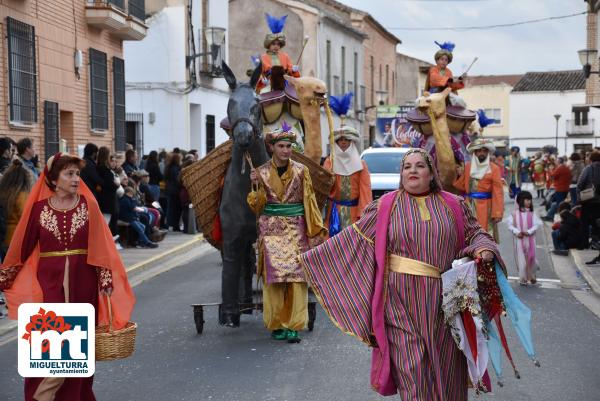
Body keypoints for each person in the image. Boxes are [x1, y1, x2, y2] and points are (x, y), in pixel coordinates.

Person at [300, 148, 519, 399]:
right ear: (401, 174)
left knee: (449, 373)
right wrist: (309, 255)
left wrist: (484, 248)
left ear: (431, 173)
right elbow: (352, 239)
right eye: (407, 167)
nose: (412, 170)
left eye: (419, 166)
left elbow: (475, 233)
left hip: (447, 304)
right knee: (411, 372)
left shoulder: (454, 205)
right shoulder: (384, 207)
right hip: (400, 302)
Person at [0, 152, 135, 401]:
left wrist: (105, 278)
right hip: (48, 284)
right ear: (53, 179)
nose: (75, 179)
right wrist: (5, 279)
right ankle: (41, 396)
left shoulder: (88, 205)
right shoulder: (39, 209)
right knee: (47, 345)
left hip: (83, 284)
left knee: (78, 352)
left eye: (77, 174)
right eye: (69, 174)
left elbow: (101, 247)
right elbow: (22, 248)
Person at [248, 125, 327, 343]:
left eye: (289, 146)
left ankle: (293, 325)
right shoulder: (261, 172)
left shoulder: (302, 171)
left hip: (296, 229)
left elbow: (309, 201)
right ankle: (276, 324)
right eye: (281, 146)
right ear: (272, 148)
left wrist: (314, 230)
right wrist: (254, 186)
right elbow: (256, 207)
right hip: (271, 230)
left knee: (296, 279)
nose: (286, 150)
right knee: (274, 280)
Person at [322, 125, 371, 236]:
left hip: (354, 214)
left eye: (346, 139)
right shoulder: (329, 163)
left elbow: (365, 191)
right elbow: (324, 188)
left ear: (351, 142)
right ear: (336, 142)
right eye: (340, 140)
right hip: (333, 213)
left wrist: (363, 214)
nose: (343, 142)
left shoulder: (361, 165)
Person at [453, 138, 504, 242]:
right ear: (475, 152)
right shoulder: (468, 167)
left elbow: (498, 192)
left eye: (484, 150)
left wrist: (497, 213)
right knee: (468, 234)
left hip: (486, 208)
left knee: (485, 235)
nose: (482, 153)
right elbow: (461, 186)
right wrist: (458, 175)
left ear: (488, 152)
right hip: (469, 206)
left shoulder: (494, 168)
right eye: (479, 150)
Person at [257, 13, 300, 93]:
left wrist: (294, 70)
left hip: (284, 85)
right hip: (269, 84)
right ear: (269, 44)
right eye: (273, 44)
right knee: (262, 97)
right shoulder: (263, 58)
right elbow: (259, 73)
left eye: (278, 44)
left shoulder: (285, 56)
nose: (276, 46)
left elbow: (291, 71)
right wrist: (262, 81)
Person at [506, 191, 542, 285]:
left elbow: (536, 225)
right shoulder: (514, 214)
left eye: (530, 200)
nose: (529, 202)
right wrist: (517, 232)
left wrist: (529, 232)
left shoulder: (532, 214)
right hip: (520, 239)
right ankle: (523, 277)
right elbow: (510, 225)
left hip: (530, 240)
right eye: (527, 199)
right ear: (521, 201)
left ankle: (532, 275)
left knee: (531, 257)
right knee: (522, 259)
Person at [577, 151, 600, 256]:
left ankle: (584, 244)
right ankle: (596, 242)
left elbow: (580, 183)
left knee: (584, 223)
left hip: (588, 200)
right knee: (597, 222)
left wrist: (579, 197)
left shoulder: (588, 168)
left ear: (591, 159)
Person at [96, 146, 120, 235]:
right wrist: (116, 184)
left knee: (106, 222)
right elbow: (109, 184)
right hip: (107, 200)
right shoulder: (104, 169)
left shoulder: (100, 167)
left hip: (106, 198)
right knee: (105, 223)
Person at [542, 156, 571, 222]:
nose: (555, 162)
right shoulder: (565, 167)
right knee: (555, 203)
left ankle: (558, 218)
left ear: (558, 161)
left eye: (556, 161)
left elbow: (552, 176)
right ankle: (550, 216)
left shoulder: (560, 168)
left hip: (560, 188)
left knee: (559, 204)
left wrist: (549, 171)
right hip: (564, 188)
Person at [165, 153, 183, 231]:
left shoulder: (169, 167)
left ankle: (171, 224)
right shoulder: (175, 169)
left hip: (170, 190)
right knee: (176, 209)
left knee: (171, 208)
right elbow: (177, 179)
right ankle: (176, 226)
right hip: (175, 190)